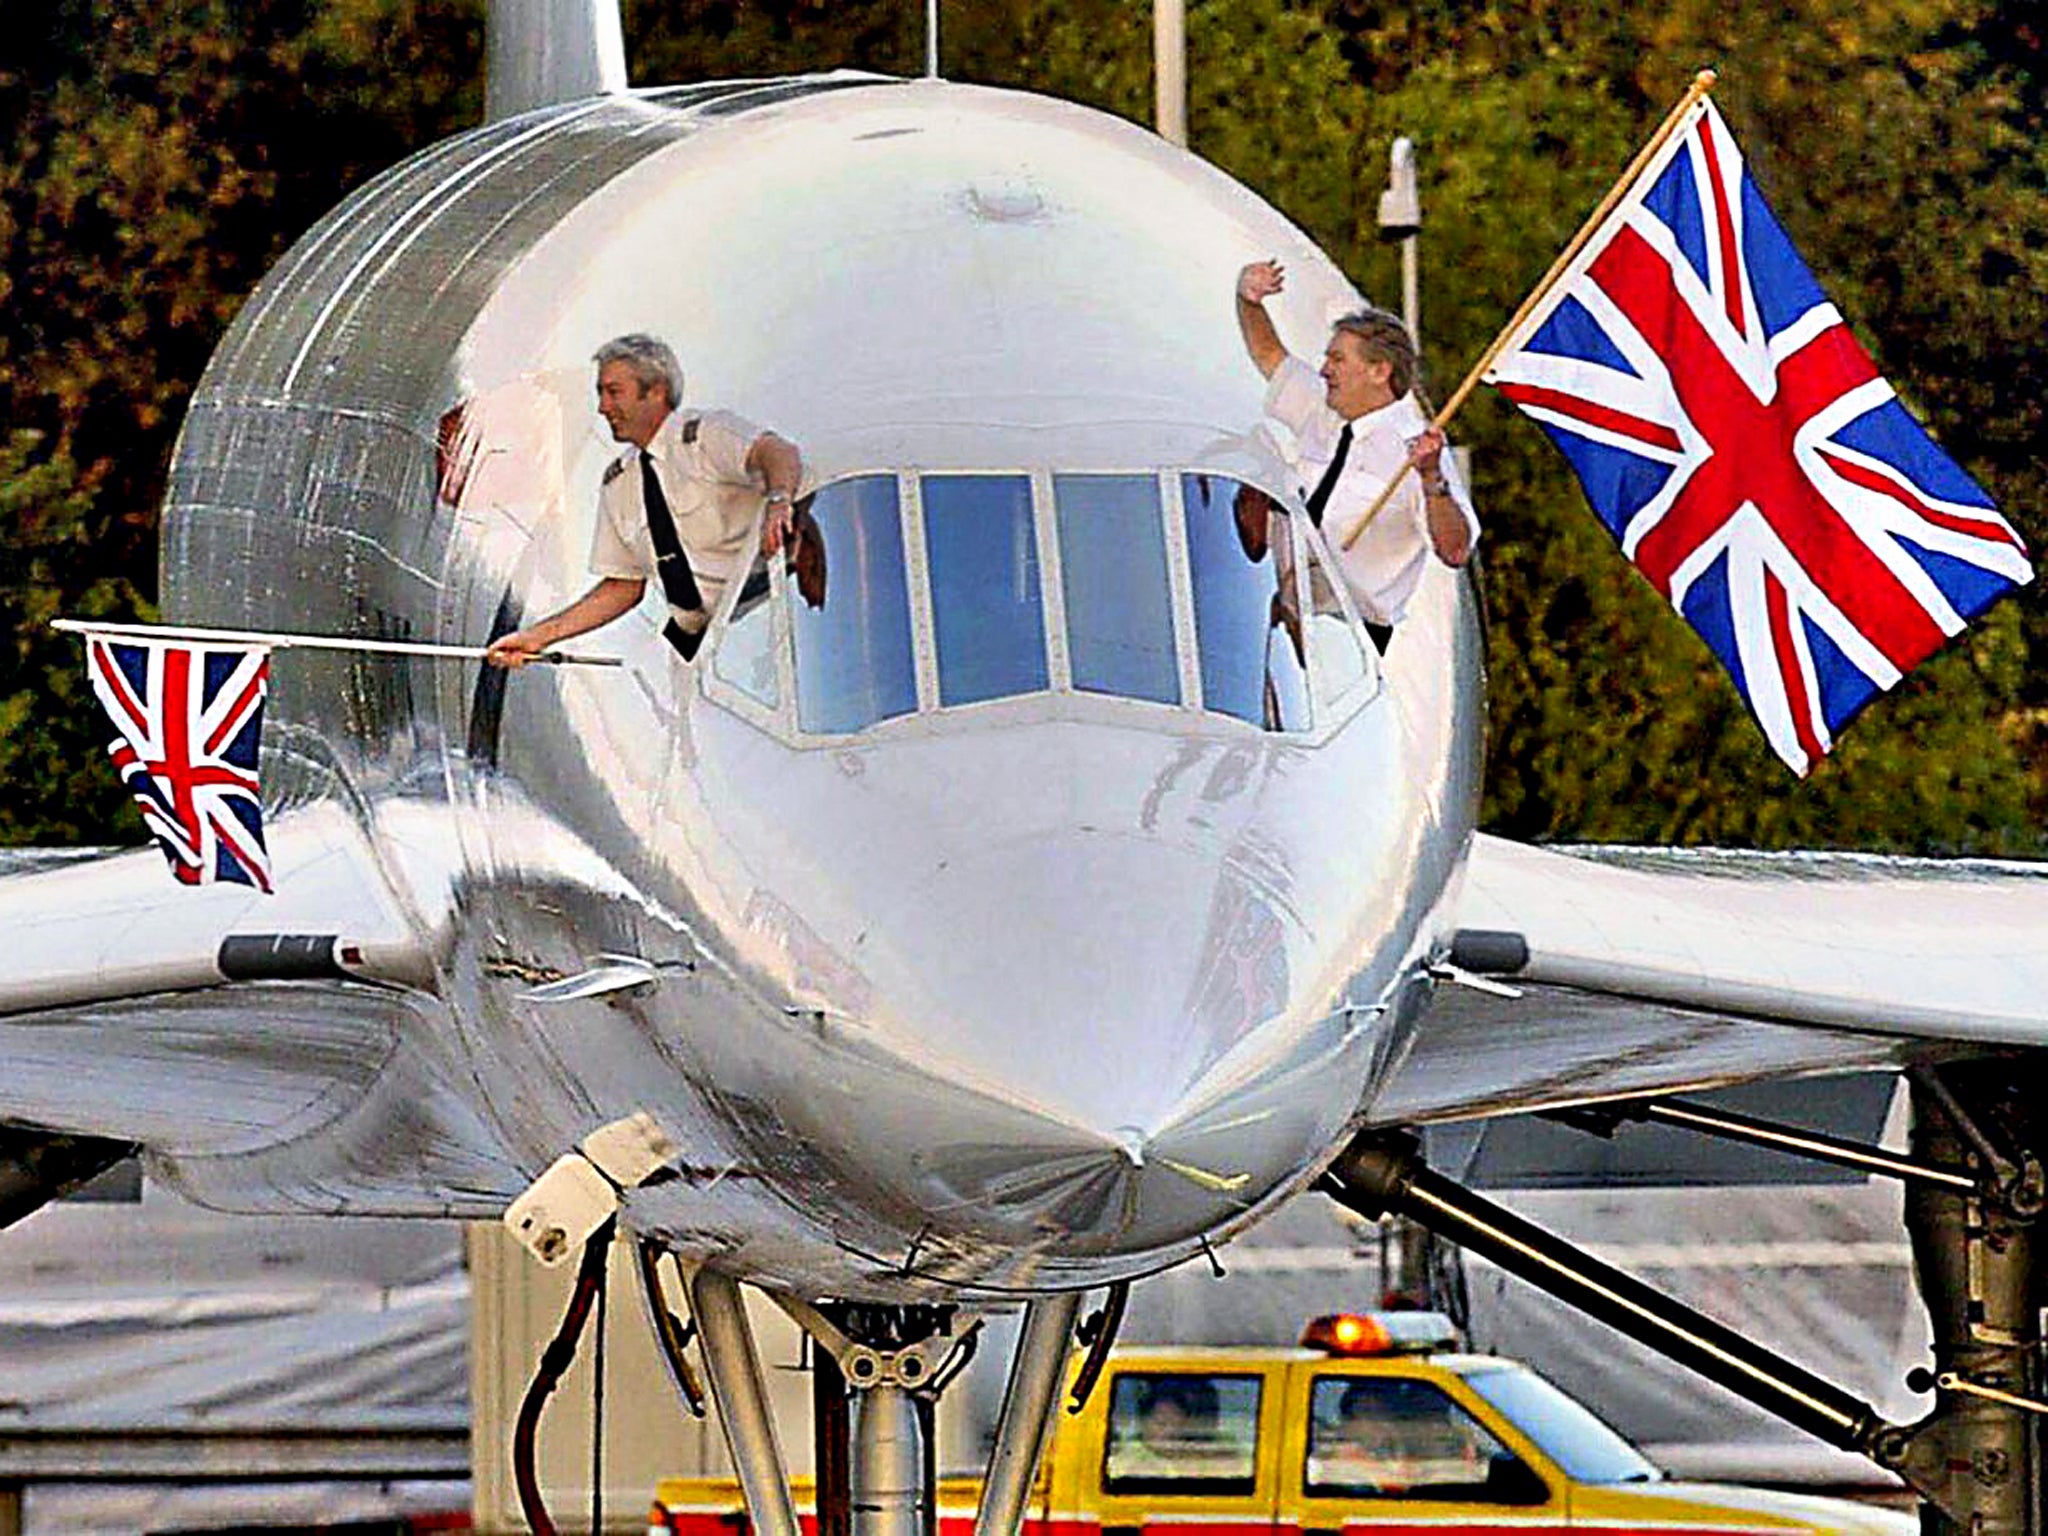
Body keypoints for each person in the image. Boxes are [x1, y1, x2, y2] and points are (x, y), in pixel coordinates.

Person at [485, 333, 806, 667]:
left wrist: (779, 500)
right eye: (601, 393)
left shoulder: (706, 436)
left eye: (613, 392)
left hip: (762, 627)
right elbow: (624, 585)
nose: (602, 407)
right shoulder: (619, 484)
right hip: (698, 651)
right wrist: (537, 637)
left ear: (656, 392)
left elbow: (778, 452)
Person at [1234, 261, 1478, 651]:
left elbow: (1455, 550)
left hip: (1347, 640)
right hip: (1283, 617)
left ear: (1379, 371)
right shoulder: (1322, 408)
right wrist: (1248, 300)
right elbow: (1268, 354)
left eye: (1337, 360)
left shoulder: (1416, 450)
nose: (1324, 369)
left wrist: (1432, 481)